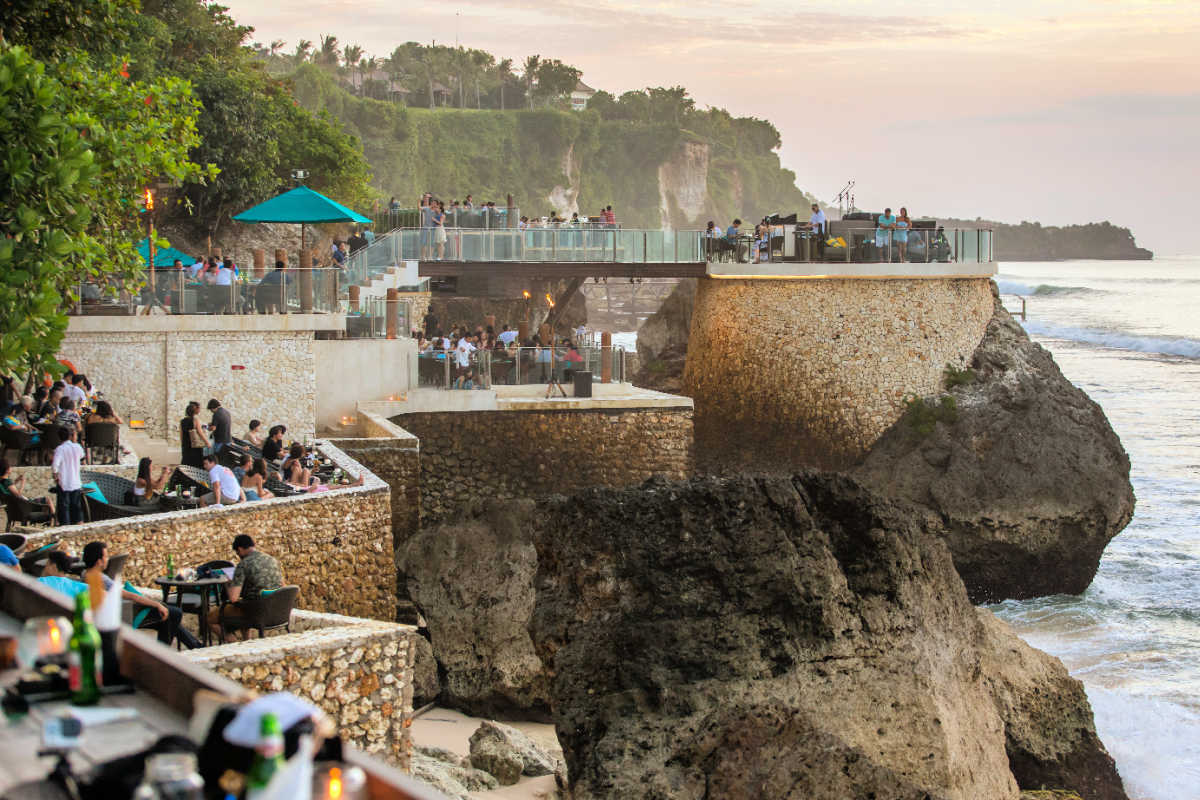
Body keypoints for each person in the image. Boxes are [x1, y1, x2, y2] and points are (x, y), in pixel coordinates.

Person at [81, 541, 200, 649]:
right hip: (127, 613)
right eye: (106, 556)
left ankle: (194, 645)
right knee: (174, 613)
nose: (108, 559)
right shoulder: (101, 578)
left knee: (169, 618)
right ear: (99, 561)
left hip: (121, 611)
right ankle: (162, 652)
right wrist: (157, 604)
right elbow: (129, 595)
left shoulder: (84, 574)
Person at [206, 534, 284, 641]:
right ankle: (248, 641)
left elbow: (233, 598)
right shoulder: (272, 560)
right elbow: (283, 586)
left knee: (210, 618)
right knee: (246, 602)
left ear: (240, 549)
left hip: (255, 613)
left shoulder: (243, 564)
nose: (238, 555)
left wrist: (229, 583)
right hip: (276, 610)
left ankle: (235, 643)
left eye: (237, 553)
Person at [52, 427, 84, 525]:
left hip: (64, 482)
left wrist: (55, 477)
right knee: (76, 506)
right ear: (70, 436)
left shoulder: (60, 449)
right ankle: (79, 525)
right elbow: (82, 456)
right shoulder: (78, 447)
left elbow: (55, 466)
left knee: (64, 507)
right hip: (76, 481)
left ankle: (66, 526)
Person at [180, 401, 207, 468]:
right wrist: (207, 442)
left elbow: (181, 435)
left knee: (186, 463)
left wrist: (183, 445)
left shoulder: (182, 421)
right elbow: (200, 433)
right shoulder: (195, 420)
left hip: (186, 445)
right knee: (197, 463)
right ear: (194, 411)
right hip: (195, 445)